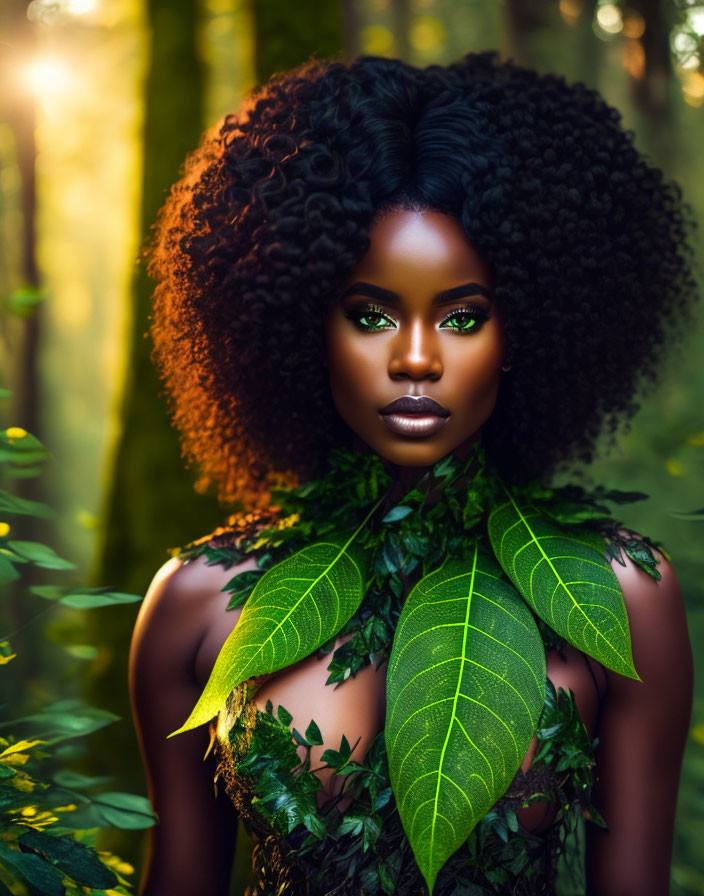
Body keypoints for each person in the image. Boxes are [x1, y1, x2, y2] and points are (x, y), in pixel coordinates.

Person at [129, 53, 696, 896]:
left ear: (528, 332)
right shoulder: (199, 603)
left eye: (463, 317)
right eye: (370, 315)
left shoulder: (618, 598)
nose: (417, 359)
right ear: (297, 321)